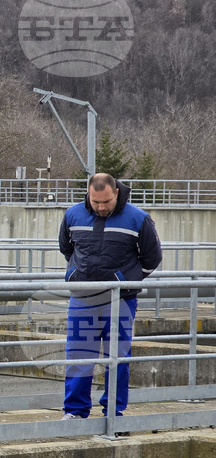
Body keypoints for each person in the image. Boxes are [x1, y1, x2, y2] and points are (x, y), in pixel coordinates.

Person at [59, 173, 163, 423]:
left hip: (120, 301)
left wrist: (125, 281)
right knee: (79, 355)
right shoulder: (72, 215)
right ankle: (75, 411)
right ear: (88, 195)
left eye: (106, 201)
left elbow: (152, 259)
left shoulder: (138, 219)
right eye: (96, 202)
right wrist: (77, 274)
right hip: (83, 299)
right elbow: (66, 248)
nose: (101, 207)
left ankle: (113, 414)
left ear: (116, 193)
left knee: (117, 358)